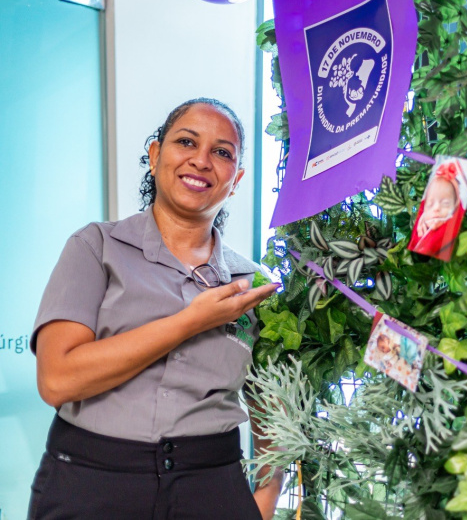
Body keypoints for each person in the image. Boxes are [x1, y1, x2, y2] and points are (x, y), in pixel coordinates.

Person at [28, 98, 282, 520]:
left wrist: (266, 498)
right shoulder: (95, 248)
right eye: (186, 141)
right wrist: (190, 323)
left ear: (235, 180)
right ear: (155, 155)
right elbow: (57, 380)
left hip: (213, 487)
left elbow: (270, 410)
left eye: (222, 152)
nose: (201, 161)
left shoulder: (252, 284)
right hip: (92, 485)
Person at [408, 160, 467, 261]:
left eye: (445, 203)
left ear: (454, 206)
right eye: (430, 204)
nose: (436, 208)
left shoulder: (448, 227)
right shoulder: (422, 223)